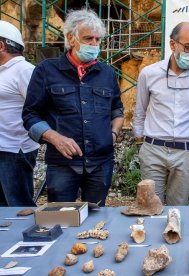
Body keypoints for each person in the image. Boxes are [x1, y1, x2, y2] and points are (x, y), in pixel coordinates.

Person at [22, 9, 124, 206]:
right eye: (88, 39)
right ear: (71, 38)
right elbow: (30, 115)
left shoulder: (107, 74)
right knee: (61, 218)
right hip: (63, 164)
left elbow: (117, 110)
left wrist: (113, 134)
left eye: (97, 39)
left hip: (101, 163)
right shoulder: (46, 71)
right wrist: (55, 138)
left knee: (97, 218)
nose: (94, 44)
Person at [132, 22, 189, 205]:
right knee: (149, 205)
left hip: (185, 152)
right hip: (153, 150)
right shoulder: (149, 74)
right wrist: (140, 143)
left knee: (179, 207)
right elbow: (140, 111)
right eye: (188, 47)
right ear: (172, 44)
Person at [0, 21, 38, 206]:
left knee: (18, 206)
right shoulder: (2, 72)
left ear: (1, 46)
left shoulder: (24, 70)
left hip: (15, 150)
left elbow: (37, 109)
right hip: (2, 148)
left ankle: (27, 236)